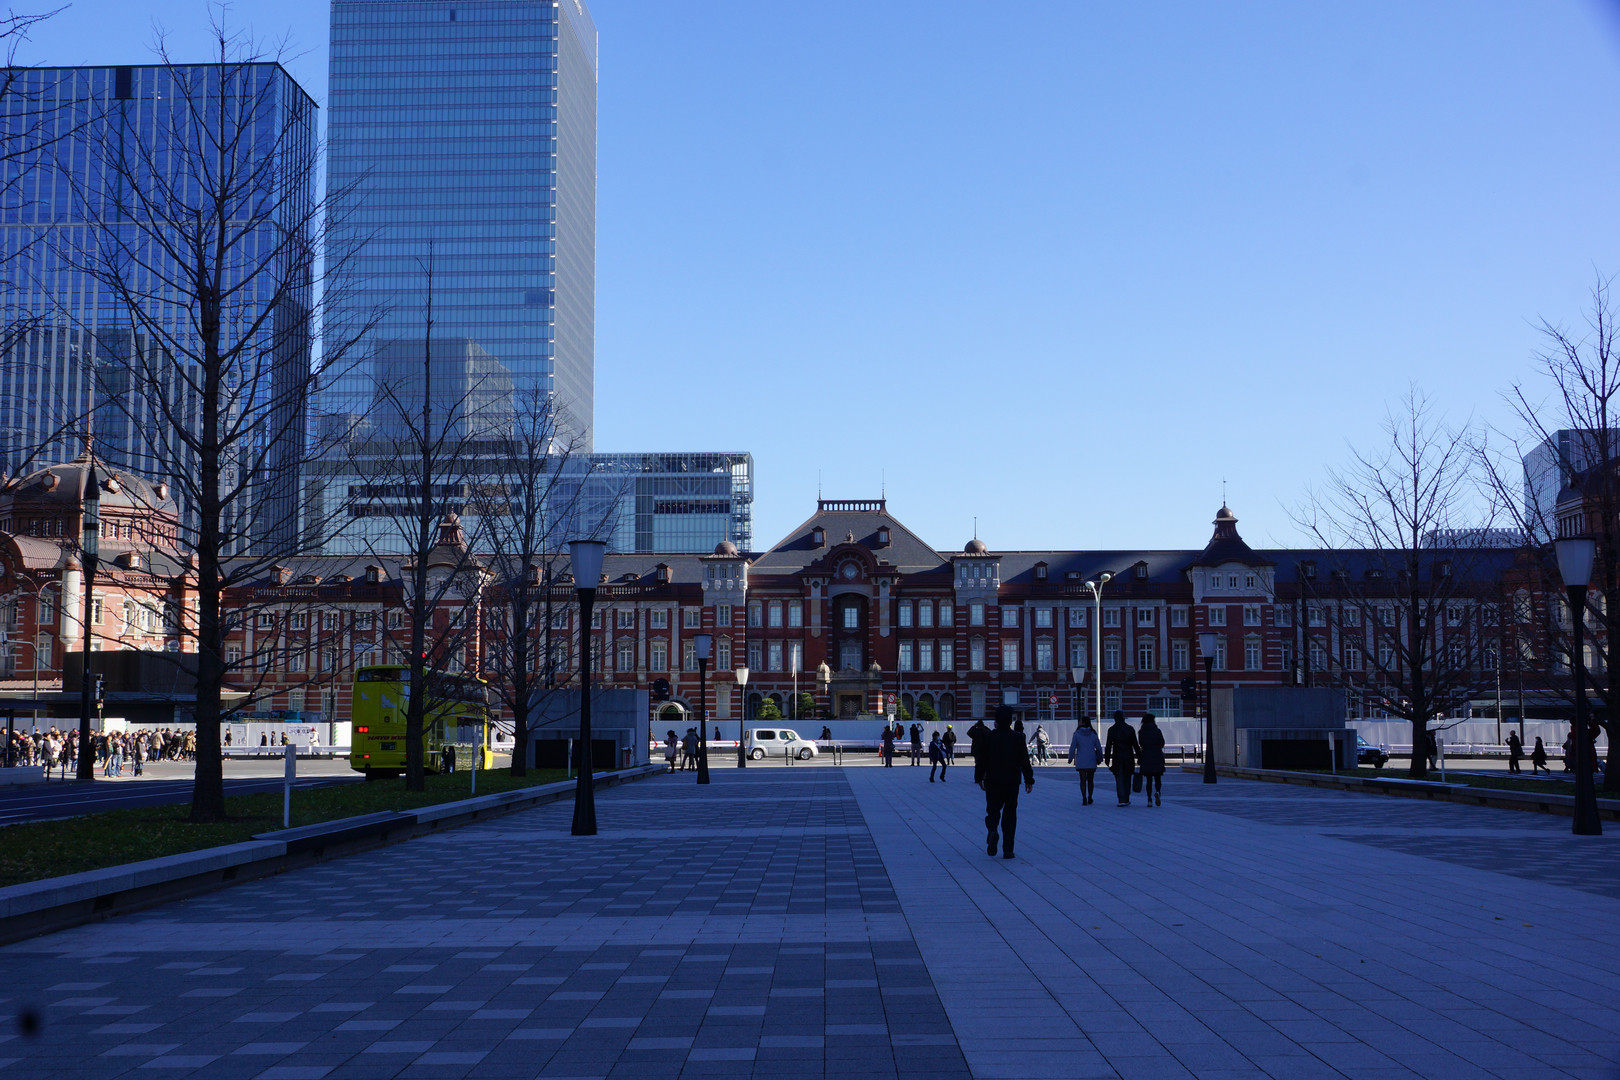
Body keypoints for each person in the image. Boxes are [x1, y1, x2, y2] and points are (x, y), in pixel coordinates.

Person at [976, 706, 1035, 858]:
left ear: (996, 720)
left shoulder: (988, 737)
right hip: (1012, 780)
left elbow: (981, 760)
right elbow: (1024, 760)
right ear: (1010, 721)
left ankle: (992, 831)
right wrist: (1029, 779)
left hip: (993, 780)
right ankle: (1008, 850)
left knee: (992, 810)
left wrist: (979, 777)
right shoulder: (1018, 737)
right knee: (1010, 814)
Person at [1104, 710, 1139, 807]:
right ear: (1123, 717)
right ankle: (1126, 797)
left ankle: (1121, 798)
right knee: (1128, 777)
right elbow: (1135, 744)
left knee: (1119, 778)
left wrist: (1107, 758)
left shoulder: (1111, 730)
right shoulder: (1130, 729)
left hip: (1117, 756)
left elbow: (1108, 745)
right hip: (1128, 756)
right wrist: (1139, 757)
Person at [1068, 717, 1103, 805]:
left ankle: (1084, 798)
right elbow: (1098, 747)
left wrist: (1070, 758)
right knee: (1090, 780)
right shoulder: (1093, 733)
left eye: (1080, 721)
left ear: (1083, 722)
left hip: (1081, 759)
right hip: (1091, 759)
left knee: (1082, 780)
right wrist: (1100, 758)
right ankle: (1090, 797)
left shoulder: (1076, 734)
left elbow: (1072, 747)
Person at [1138, 713, 1166, 807]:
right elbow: (1162, 743)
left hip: (1146, 756)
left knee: (1148, 780)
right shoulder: (1157, 731)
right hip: (1157, 756)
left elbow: (1141, 744)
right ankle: (1158, 792)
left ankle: (1149, 799)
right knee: (1158, 778)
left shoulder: (1141, 732)